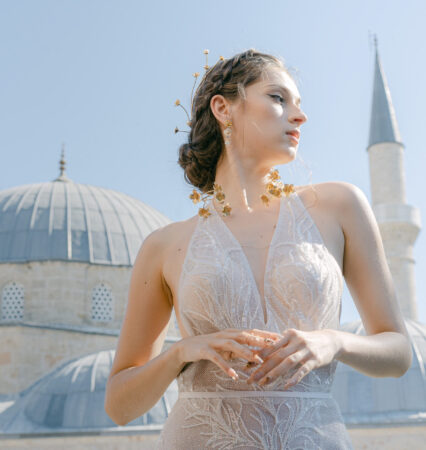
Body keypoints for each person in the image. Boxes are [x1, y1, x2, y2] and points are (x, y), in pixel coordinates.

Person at [104, 48, 412, 449]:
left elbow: (398, 352)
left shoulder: (339, 206)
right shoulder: (165, 245)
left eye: (299, 103)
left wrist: (332, 341)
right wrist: (180, 352)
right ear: (223, 108)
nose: (300, 116)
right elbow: (120, 407)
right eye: (278, 98)